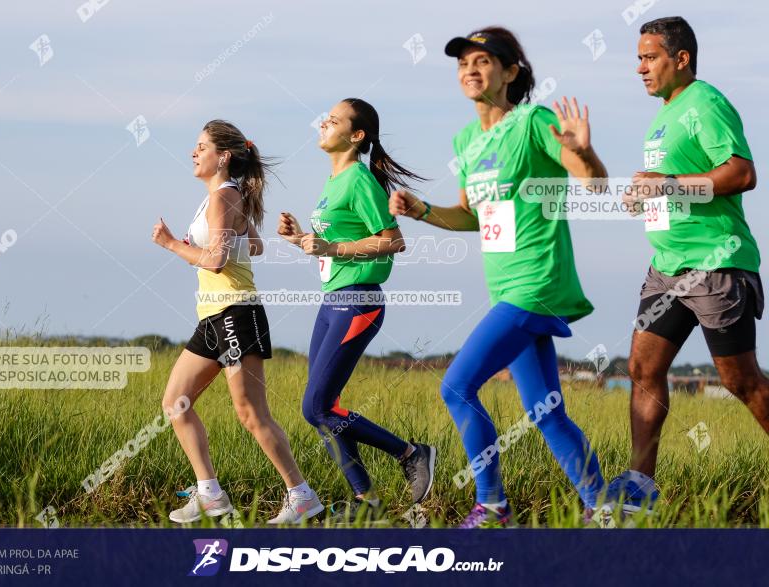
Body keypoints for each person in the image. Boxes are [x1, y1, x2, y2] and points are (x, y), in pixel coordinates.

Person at [389, 27, 609, 527]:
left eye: (483, 61)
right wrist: (421, 209)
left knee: (457, 387)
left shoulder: (533, 122)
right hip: (508, 287)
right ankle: (604, 507)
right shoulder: (467, 141)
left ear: (510, 73)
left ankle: (491, 506)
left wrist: (585, 152)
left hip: (538, 282)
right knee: (546, 411)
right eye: (463, 62)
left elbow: (592, 184)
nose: (470, 69)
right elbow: (471, 215)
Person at [612, 16, 766, 515]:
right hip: (666, 269)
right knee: (642, 368)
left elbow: (742, 173)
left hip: (716, 266)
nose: (640, 67)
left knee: (740, 382)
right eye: (638, 57)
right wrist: (647, 195)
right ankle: (640, 489)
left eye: (650, 56)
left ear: (681, 59)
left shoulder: (707, 102)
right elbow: (672, 182)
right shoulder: (665, 112)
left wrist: (668, 184)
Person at [152, 119, 324, 525]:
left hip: (236, 313)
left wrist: (172, 244)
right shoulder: (223, 197)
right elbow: (257, 247)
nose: (193, 153)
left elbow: (216, 259)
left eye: (201, 147)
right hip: (212, 316)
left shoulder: (223, 197)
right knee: (176, 403)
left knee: (250, 415)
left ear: (223, 156)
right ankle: (210, 494)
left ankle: (301, 495)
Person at [277, 98, 436, 522]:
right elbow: (335, 248)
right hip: (333, 300)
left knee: (316, 408)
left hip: (359, 300)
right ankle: (368, 504)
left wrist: (331, 246)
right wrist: (301, 240)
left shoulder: (359, 180)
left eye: (333, 120)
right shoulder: (335, 182)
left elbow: (393, 240)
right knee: (324, 408)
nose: (323, 123)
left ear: (356, 135)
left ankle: (410, 453)